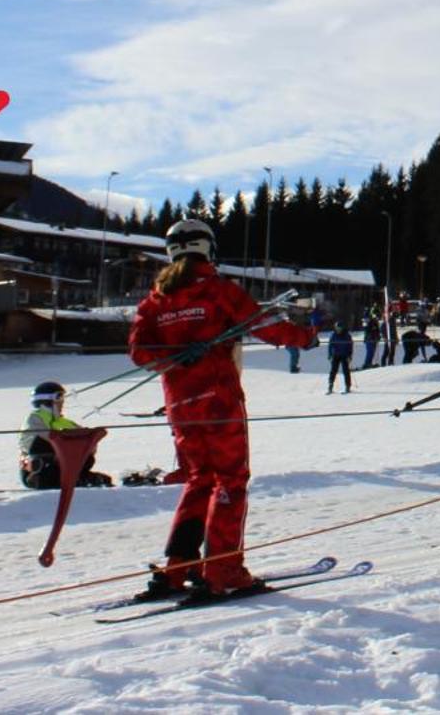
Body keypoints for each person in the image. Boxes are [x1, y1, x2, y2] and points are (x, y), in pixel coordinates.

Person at [128, 218, 318, 601]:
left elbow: (139, 352)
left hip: (180, 406)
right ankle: (223, 569)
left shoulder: (155, 301)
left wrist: (176, 357)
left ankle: (179, 567)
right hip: (218, 401)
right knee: (230, 480)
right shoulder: (218, 290)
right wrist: (305, 337)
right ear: (208, 250)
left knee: (200, 479)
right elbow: (263, 325)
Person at [19, 381, 113, 489]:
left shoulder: (65, 422)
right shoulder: (34, 419)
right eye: (59, 398)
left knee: (102, 479)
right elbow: (46, 439)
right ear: (48, 400)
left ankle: (80, 479)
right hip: (41, 471)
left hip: (67, 468)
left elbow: (88, 443)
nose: (62, 402)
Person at [326, 321, 354, 394]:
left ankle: (348, 386)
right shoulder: (333, 335)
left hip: (344, 355)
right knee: (333, 370)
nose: (338, 329)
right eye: (337, 328)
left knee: (346, 371)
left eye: (339, 328)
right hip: (336, 355)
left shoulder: (347, 335)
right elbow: (330, 346)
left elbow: (350, 346)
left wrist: (350, 355)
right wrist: (329, 355)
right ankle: (330, 385)